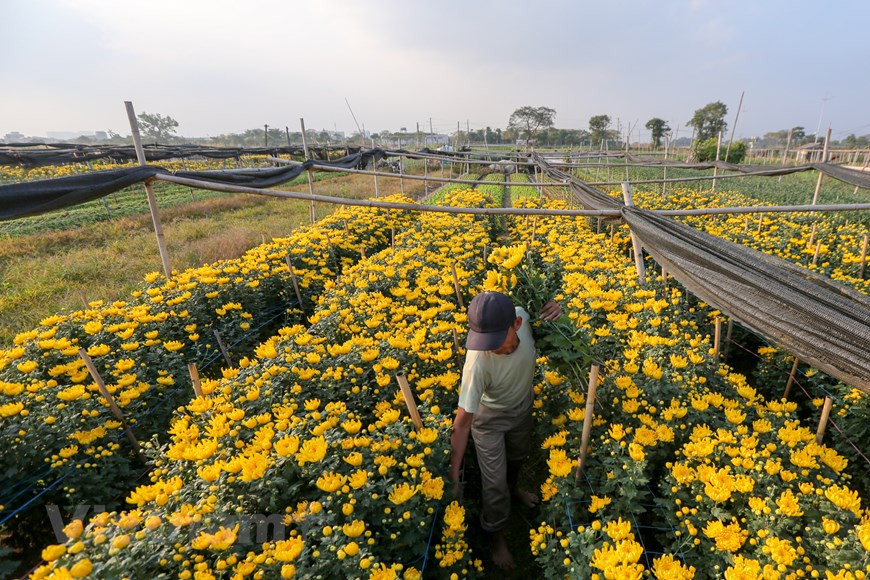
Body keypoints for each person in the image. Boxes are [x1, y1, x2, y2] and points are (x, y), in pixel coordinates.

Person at [448, 291, 561, 570]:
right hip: (489, 420)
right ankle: (496, 536)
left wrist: (559, 308)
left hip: (522, 406)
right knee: (494, 485)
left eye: (498, 339)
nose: (492, 347)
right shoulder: (478, 363)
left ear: (517, 325)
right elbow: (462, 423)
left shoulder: (525, 315)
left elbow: (557, 318)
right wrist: (453, 473)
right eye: (485, 341)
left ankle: (515, 489)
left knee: (518, 456)